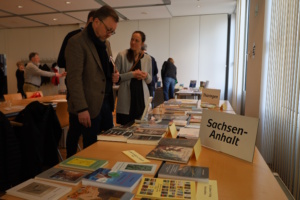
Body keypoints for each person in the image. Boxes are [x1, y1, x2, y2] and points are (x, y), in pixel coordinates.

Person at [65, 5, 119, 158]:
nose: (109, 34)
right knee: (91, 152)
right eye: (108, 29)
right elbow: (74, 79)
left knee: (108, 146)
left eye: (112, 31)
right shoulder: (77, 42)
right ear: (96, 22)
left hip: (106, 103)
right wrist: (82, 108)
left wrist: (113, 75)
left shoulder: (106, 43)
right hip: (88, 107)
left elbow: (104, 69)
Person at [115, 31, 152, 125]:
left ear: (142, 43)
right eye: (132, 39)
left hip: (141, 100)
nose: (133, 42)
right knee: (125, 130)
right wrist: (132, 74)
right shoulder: (121, 55)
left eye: (136, 40)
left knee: (141, 130)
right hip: (126, 101)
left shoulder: (148, 58)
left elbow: (150, 80)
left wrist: (146, 76)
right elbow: (116, 79)